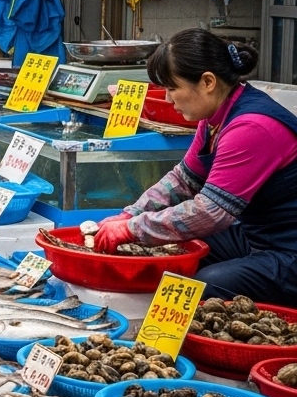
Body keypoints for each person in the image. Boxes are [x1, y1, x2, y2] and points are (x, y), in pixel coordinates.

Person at [94, 29, 297, 306]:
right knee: (170, 252)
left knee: (204, 284)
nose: (167, 99)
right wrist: (130, 214)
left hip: (288, 251)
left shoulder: (251, 127)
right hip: (257, 236)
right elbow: (183, 180)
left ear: (208, 82)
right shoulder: (214, 118)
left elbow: (210, 213)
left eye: (172, 88)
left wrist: (134, 228)